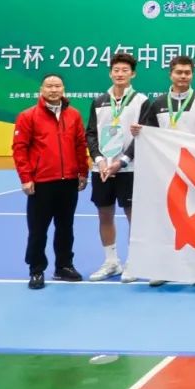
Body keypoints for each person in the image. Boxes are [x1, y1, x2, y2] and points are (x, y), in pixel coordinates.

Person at [141, 55, 195, 286]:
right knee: (165, 220)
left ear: (193, 75)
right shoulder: (157, 103)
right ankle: (164, 268)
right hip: (165, 171)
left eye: (187, 72)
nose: (183, 76)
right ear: (170, 74)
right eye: (179, 72)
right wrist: (139, 133)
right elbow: (149, 135)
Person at [12, 73, 89, 290]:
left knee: (65, 227)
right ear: (41, 90)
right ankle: (36, 269)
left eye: (57, 86)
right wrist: (26, 178)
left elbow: (80, 145)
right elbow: (19, 149)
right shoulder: (27, 116)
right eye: (49, 86)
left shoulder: (74, 115)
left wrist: (83, 172)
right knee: (38, 230)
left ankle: (63, 266)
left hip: (68, 181)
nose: (53, 90)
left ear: (63, 89)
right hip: (41, 182)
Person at [85, 52, 149, 283]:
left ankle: (134, 262)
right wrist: (99, 160)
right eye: (116, 70)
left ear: (133, 74)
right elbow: (91, 133)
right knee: (105, 214)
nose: (120, 74)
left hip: (129, 169)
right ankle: (111, 261)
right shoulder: (99, 101)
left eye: (125, 70)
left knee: (134, 217)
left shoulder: (142, 101)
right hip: (102, 169)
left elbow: (143, 135)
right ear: (110, 73)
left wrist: (122, 161)